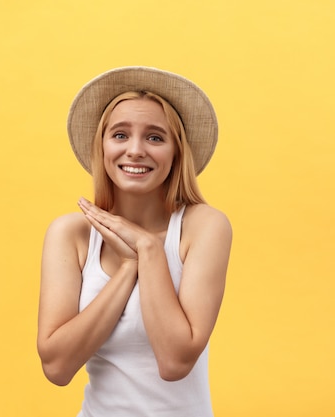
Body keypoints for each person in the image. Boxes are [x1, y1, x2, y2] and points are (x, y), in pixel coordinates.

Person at [37, 66, 232, 417]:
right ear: (102, 146)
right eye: (120, 135)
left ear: (176, 153)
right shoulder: (72, 234)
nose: (136, 150)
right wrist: (129, 267)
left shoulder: (203, 227)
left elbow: (174, 362)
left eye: (155, 138)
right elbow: (56, 367)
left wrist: (148, 249)